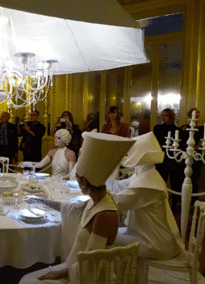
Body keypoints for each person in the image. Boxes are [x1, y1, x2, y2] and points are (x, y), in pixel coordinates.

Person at [19, 132, 135, 284]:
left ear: (85, 182)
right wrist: (41, 200)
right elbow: (69, 208)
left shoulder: (105, 214)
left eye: (77, 179)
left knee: (26, 281)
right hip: (74, 267)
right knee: (26, 278)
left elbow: (90, 263)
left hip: (83, 277)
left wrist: (58, 274)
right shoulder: (97, 201)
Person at [106, 132, 185, 260]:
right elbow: (115, 186)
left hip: (156, 243)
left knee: (103, 235)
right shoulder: (145, 175)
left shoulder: (147, 182)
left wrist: (94, 187)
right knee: (106, 233)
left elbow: (116, 202)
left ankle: (110, 276)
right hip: (150, 238)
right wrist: (101, 173)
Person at [153, 108, 181, 212]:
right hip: (160, 159)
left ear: (171, 117)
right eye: (162, 115)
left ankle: (174, 205)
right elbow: (155, 142)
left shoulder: (177, 130)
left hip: (172, 159)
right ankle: (160, 204)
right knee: (160, 181)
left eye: (166, 115)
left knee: (175, 183)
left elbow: (178, 146)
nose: (163, 117)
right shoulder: (158, 128)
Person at [179, 108, 204, 205]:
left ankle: (194, 202)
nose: (196, 117)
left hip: (197, 157)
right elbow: (182, 143)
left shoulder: (202, 129)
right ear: (190, 117)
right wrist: (194, 146)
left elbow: (202, 143)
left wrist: (197, 146)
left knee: (195, 179)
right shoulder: (185, 128)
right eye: (194, 115)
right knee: (184, 178)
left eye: (198, 115)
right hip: (186, 156)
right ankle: (184, 201)